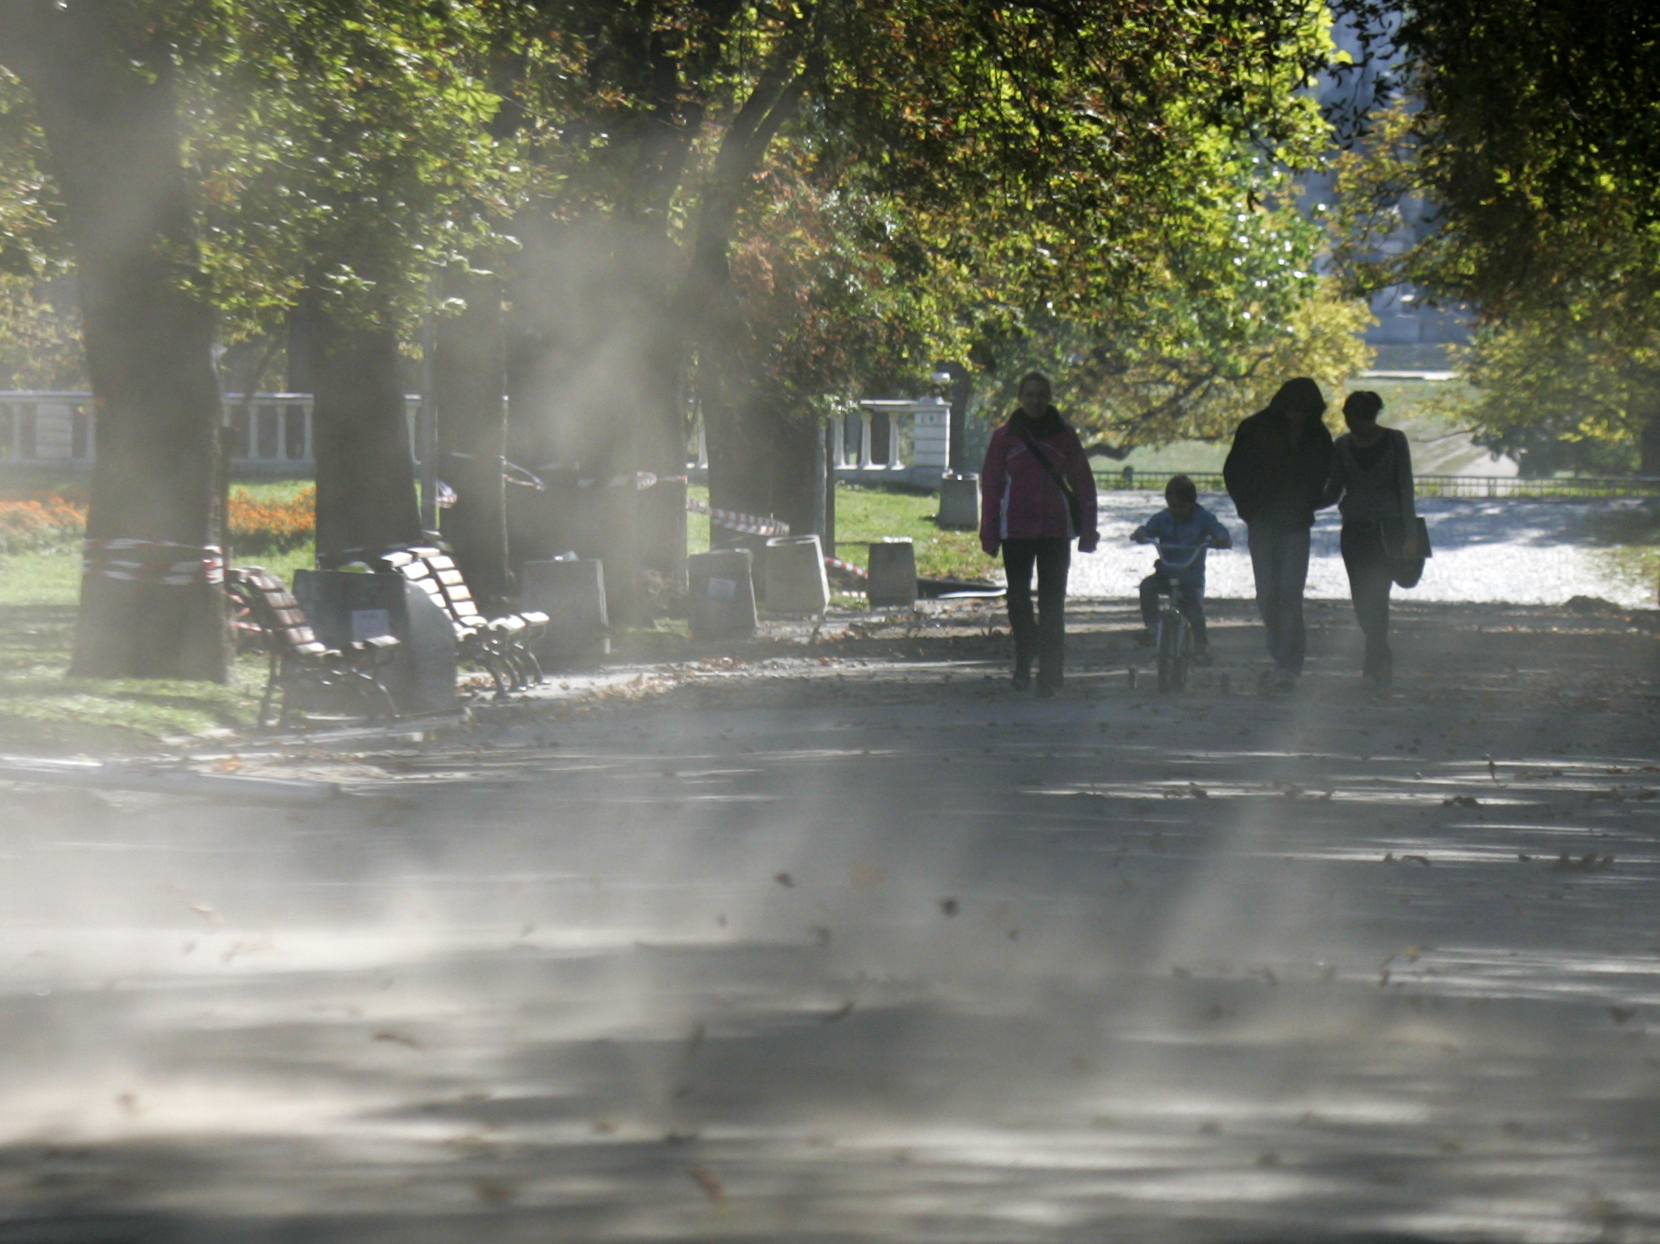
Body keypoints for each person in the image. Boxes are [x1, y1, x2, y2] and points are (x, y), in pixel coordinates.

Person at [979, 371, 1099, 697]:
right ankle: (1025, 654)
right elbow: (991, 486)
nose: (1035, 401)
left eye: (1040, 395)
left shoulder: (1064, 436)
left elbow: (1083, 483)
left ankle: (1050, 674)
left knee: (1052, 605)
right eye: (1029, 395)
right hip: (1015, 530)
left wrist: (1088, 530)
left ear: (1049, 397)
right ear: (1020, 398)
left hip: (1054, 531)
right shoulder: (1004, 437)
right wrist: (988, 532)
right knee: (1018, 601)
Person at [1222, 376, 1334, 692]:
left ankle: (1289, 662)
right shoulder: (1254, 429)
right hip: (1263, 521)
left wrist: (1313, 502)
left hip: (1296, 524)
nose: (1298, 417)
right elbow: (1234, 471)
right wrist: (1248, 509)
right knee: (1268, 593)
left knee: (1290, 593)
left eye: (1305, 412)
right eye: (1294, 410)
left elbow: (1326, 472)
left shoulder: (1317, 436)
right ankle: (1280, 651)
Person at [1324, 390, 1418, 693]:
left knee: (1378, 595)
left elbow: (1406, 488)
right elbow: (1334, 489)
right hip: (1354, 531)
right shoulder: (1342, 446)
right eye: (1350, 420)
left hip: (1387, 531)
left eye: (1360, 420)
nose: (1355, 427)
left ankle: (1377, 659)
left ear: (1372, 417)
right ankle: (1378, 655)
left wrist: (1411, 535)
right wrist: (1305, 503)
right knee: (1362, 598)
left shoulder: (1394, 441)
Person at [1131, 474, 1231, 665]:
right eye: (1172, 506)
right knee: (1147, 587)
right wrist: (1141, 534)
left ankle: (1201, 647)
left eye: (1181, 506)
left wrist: (1222, 539)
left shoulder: (1204, 518)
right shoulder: (1163, 518)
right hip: (1167, 573)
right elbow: (1148, 529)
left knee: (1194, 611)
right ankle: (1153, 628)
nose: (1176, 511)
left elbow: (1218, 529)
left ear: (1191, 503)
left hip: (1191, 577)